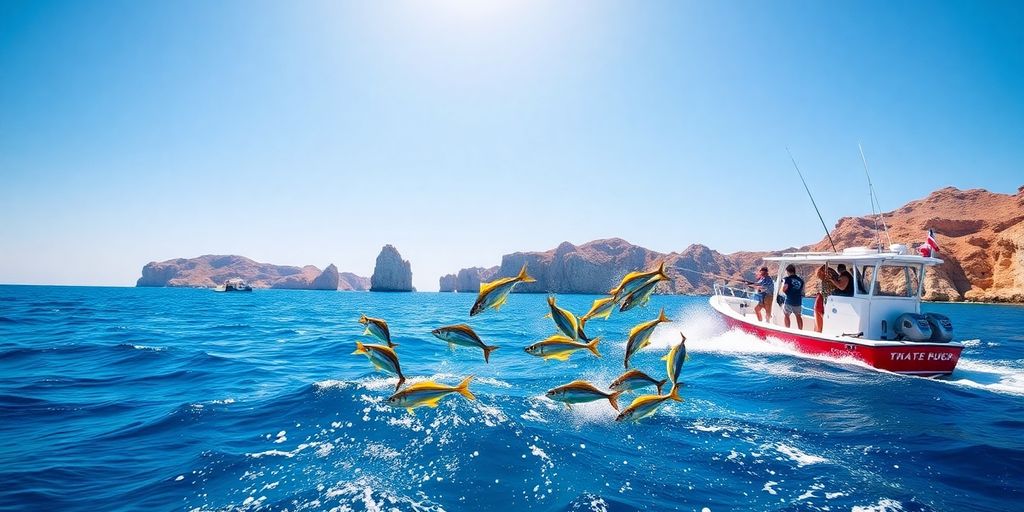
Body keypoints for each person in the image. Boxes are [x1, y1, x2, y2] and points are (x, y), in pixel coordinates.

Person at [781, 264, 804, 330]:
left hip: (789, 300)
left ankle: (787, 330)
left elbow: (784, 288)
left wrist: (785, 292)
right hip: (798, 301)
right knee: (798, 316)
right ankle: (800, 331)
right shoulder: (800, 280)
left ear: (788, 271)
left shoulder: (788, 279)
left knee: (786, 315)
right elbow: (801, 291)